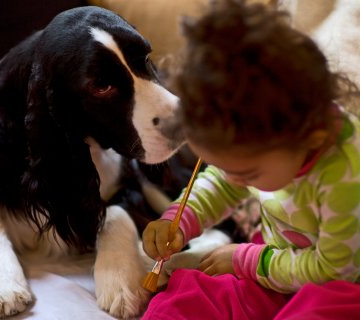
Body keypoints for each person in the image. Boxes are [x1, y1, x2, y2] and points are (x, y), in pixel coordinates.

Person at [141, 0, 360, 319]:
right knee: (189, 294)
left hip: (343, 281)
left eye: (248, 174)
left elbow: (332, 271)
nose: (233, 180)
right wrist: (180, 219)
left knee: (317, 309)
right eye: (224, 166)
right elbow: (221, 184)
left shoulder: (348, 174)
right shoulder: (264, 147)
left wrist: (248, 260)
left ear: (311, 134)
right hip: (277, 263)